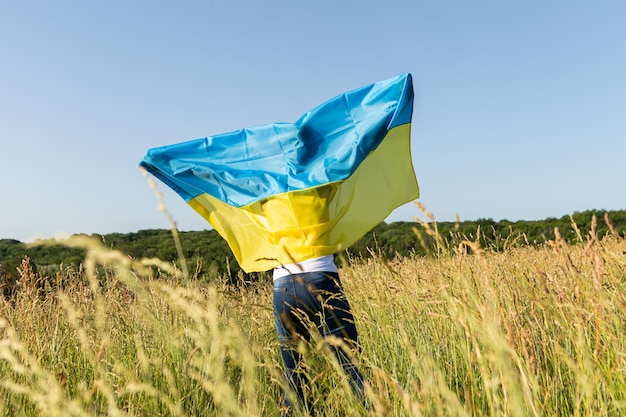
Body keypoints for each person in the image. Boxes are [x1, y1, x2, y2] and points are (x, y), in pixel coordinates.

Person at [272, 254, 365, 415]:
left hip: (282, 282)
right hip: (320, 275)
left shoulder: (270, 225)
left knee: (292, 372)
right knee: (351, 367)